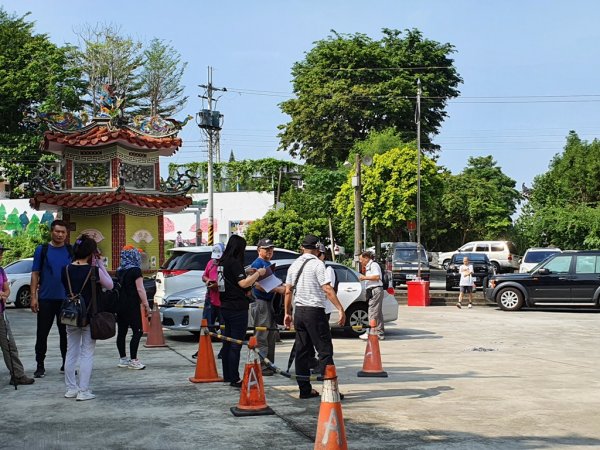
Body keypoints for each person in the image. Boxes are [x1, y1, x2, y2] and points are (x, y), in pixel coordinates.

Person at [284, 234, 346, 399]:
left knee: (302, 351)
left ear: (301, 248)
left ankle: (304, 389)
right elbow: (327, 288)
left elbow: (288, 291)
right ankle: (330, 390)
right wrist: (340, 308)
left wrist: (287, 313)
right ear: (318, 249)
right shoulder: (318, 265)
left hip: (300, 312)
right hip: (315, 312)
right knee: (325, 351)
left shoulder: (294, 265)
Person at [61, 234, 113, 401]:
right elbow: (110, 285)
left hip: (70, 315)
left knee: (71, 352)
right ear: (91, 252)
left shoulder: (66, 269)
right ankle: (83, 391)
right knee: (87, 353)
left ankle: (70, 389)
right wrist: (99, 264)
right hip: (89, 316)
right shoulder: (94, 270)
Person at [219, 235, 267, 387]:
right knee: (236, 343)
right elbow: (243, 283)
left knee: (227, 342)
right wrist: (258, 273)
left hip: (224, 306)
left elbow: (231, 279)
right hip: (237, 307)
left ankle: (227, 375)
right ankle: (234, 378)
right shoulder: (235, 262)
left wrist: (247, 271)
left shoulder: (223, 262)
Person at [30, 219, 73, 378]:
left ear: (66, 234)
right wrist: (34, 297)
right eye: (57, 231)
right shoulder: (42, 250)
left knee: (66, 334)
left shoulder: (71, 250)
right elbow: (35, 274)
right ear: (51, 232)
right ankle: (40, 365)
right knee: (42, 333)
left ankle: (66, 364)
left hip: (65, 300)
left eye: (63, 232)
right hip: (46, 299)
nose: (60, 235)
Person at [0, 244, 35, 386]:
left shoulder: (1, 271)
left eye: (1, 253)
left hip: (1, 314)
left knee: (9, 345)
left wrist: (4, 294)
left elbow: (6, 289)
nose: (1, 256)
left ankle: (17, 374)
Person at [250, 238, 285, 376]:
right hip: (261, 302)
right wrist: (277, 289)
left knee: (270, 335)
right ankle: (262, 366)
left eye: (271, 248)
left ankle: (269, 365)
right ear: (259, 250)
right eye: (266, 249)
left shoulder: (267, 263)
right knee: (262, 335)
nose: (270, 251)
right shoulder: (257, 263)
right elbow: (255, 284)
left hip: (268, 303)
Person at [116, 246, 151, 370]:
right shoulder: (136, 270)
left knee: (122, 332)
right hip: (132, 305)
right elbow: (140, 289)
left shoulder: (120, 270)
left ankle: (123, 359)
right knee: (137, 331)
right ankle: (134, 360)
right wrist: (146, 305)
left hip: (120, 305)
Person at [358, 251, 385, 340]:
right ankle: (379, 333)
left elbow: (377, 277)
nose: (360, 261)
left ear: (366, 258)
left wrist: (364, 278)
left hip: (375, 289)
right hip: (373, 290)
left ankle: (370, 332)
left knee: (372, 312)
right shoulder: (368, 266)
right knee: (378, 313)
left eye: (361, 259)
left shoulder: (373, 265)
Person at [203, 243, 225, 325]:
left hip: (222, 300)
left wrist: (217, 285)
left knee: (223, 325)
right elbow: (204, 276)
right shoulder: (210, 263)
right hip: (210, 298)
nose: (216, 260)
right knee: (207, 324)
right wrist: (208, 280)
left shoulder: (226, 264)